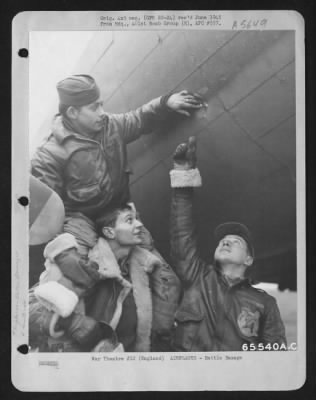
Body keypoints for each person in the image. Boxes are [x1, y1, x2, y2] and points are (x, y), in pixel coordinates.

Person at [31, 74, 205, 256]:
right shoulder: (47, 155)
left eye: (101, 104)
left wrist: (165, 103)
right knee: (85, 270)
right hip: (82, 224)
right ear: (73, 113)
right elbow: (48, 216)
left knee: (160, 273)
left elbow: (139, 119)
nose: (102, 112)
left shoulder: (110, 125)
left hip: (120, 213)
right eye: (94, 107)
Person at [168, 137, 287, 351]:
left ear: (248, 259)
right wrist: (183, 173)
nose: (226, 241)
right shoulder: (196, 277)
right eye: (223, 240)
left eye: (236, 241)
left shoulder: (265, 304)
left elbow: (274, 359)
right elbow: (182, 232)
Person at [29, 203, 178, 352]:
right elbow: (28, 310)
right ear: (109, 232)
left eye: (138, 219)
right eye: (129, 220)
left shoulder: (144, 272)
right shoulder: (81, 264)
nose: (140, 225)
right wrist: (73, 323)